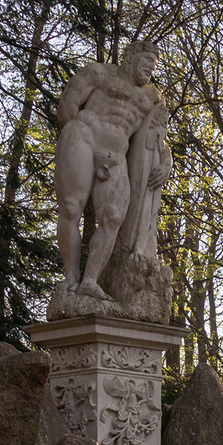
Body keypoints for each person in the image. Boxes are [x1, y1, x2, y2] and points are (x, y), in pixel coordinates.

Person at [54, 41, 166, 301]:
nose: (151, 68)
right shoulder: (98, 73)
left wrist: (165, 165)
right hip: (83, 139)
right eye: (147, 60)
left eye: (155, 63)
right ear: (130, 56)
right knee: (71, 208)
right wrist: (78, 141)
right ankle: (71, 277)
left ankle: (90, 281)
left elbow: (158, 140)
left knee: (114, 215)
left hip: (115, 157)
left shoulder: (151, 98)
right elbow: (66, 108)